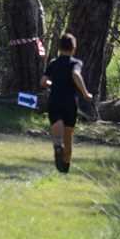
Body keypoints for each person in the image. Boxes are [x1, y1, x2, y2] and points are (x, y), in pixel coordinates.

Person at [40, 33, 93, 173]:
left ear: (59, 48)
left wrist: (54, 83)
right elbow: (75, 75)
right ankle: (65, 168)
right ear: (74, 48)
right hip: (70, 102)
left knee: (57, 124)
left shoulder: (53, 63)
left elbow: (43, 82)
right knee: (68, 136)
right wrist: (85, 93)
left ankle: (57, 145)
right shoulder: (76, 63)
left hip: (55, 100)